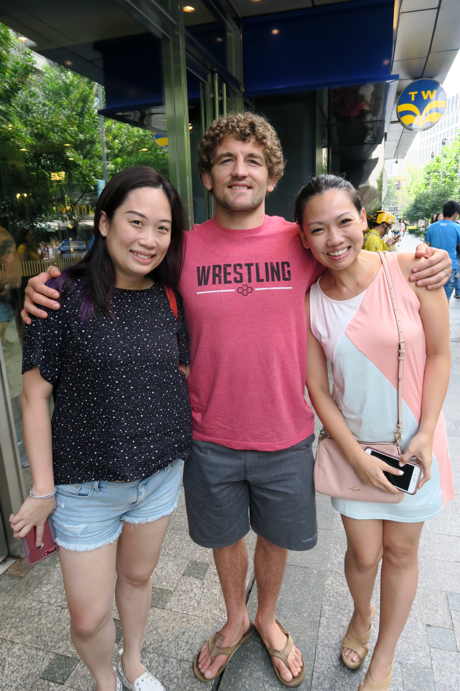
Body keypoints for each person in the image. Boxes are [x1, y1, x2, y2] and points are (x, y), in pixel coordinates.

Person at [21, 113, 452, 688]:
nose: (240, 170)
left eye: (253, 160)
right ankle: (235, 619)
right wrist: (47, 287)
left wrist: (424, 261)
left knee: (276, 537)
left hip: (287, 432)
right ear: (207, 176)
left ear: (272, 176)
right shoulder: (177, 248)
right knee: (223, 539)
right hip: (207, 434)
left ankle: (266, 617)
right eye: (226, 159)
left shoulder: (302, 241)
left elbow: (361, 263)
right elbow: (123, 273)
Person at [10, 167, 192, 691]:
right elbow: (34, 396)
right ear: (106, 222)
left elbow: (178, 373)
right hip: (84, 488)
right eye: (136, 222)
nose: (149, 239)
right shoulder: (59, 295)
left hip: (157, 477)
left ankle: (133, 664)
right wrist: (42, 489)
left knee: (137, 577)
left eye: (162, 228)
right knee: (88, 617)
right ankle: (103, 680)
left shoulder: (169, 297)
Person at [296, 174, 454, 690]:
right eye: (317, 229)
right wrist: (357, 457)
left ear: (364, 219)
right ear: (303, 238)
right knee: (364, 554)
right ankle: (361, 615)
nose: (334, 238)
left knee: (402, 553)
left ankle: (383, 660)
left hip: (415, 447)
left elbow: (439, 353)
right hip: (355, 450)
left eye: (344, 221)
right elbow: (318, 389)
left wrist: (426, 433)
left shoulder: (409, 268)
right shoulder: (311, 301)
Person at [425, 200, 460, 301]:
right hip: (450, 267)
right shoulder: (457, 227)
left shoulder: (431, 227)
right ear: (455, 214)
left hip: (433, 267)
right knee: (445, 299)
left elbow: (427, 247)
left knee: (433, 298)